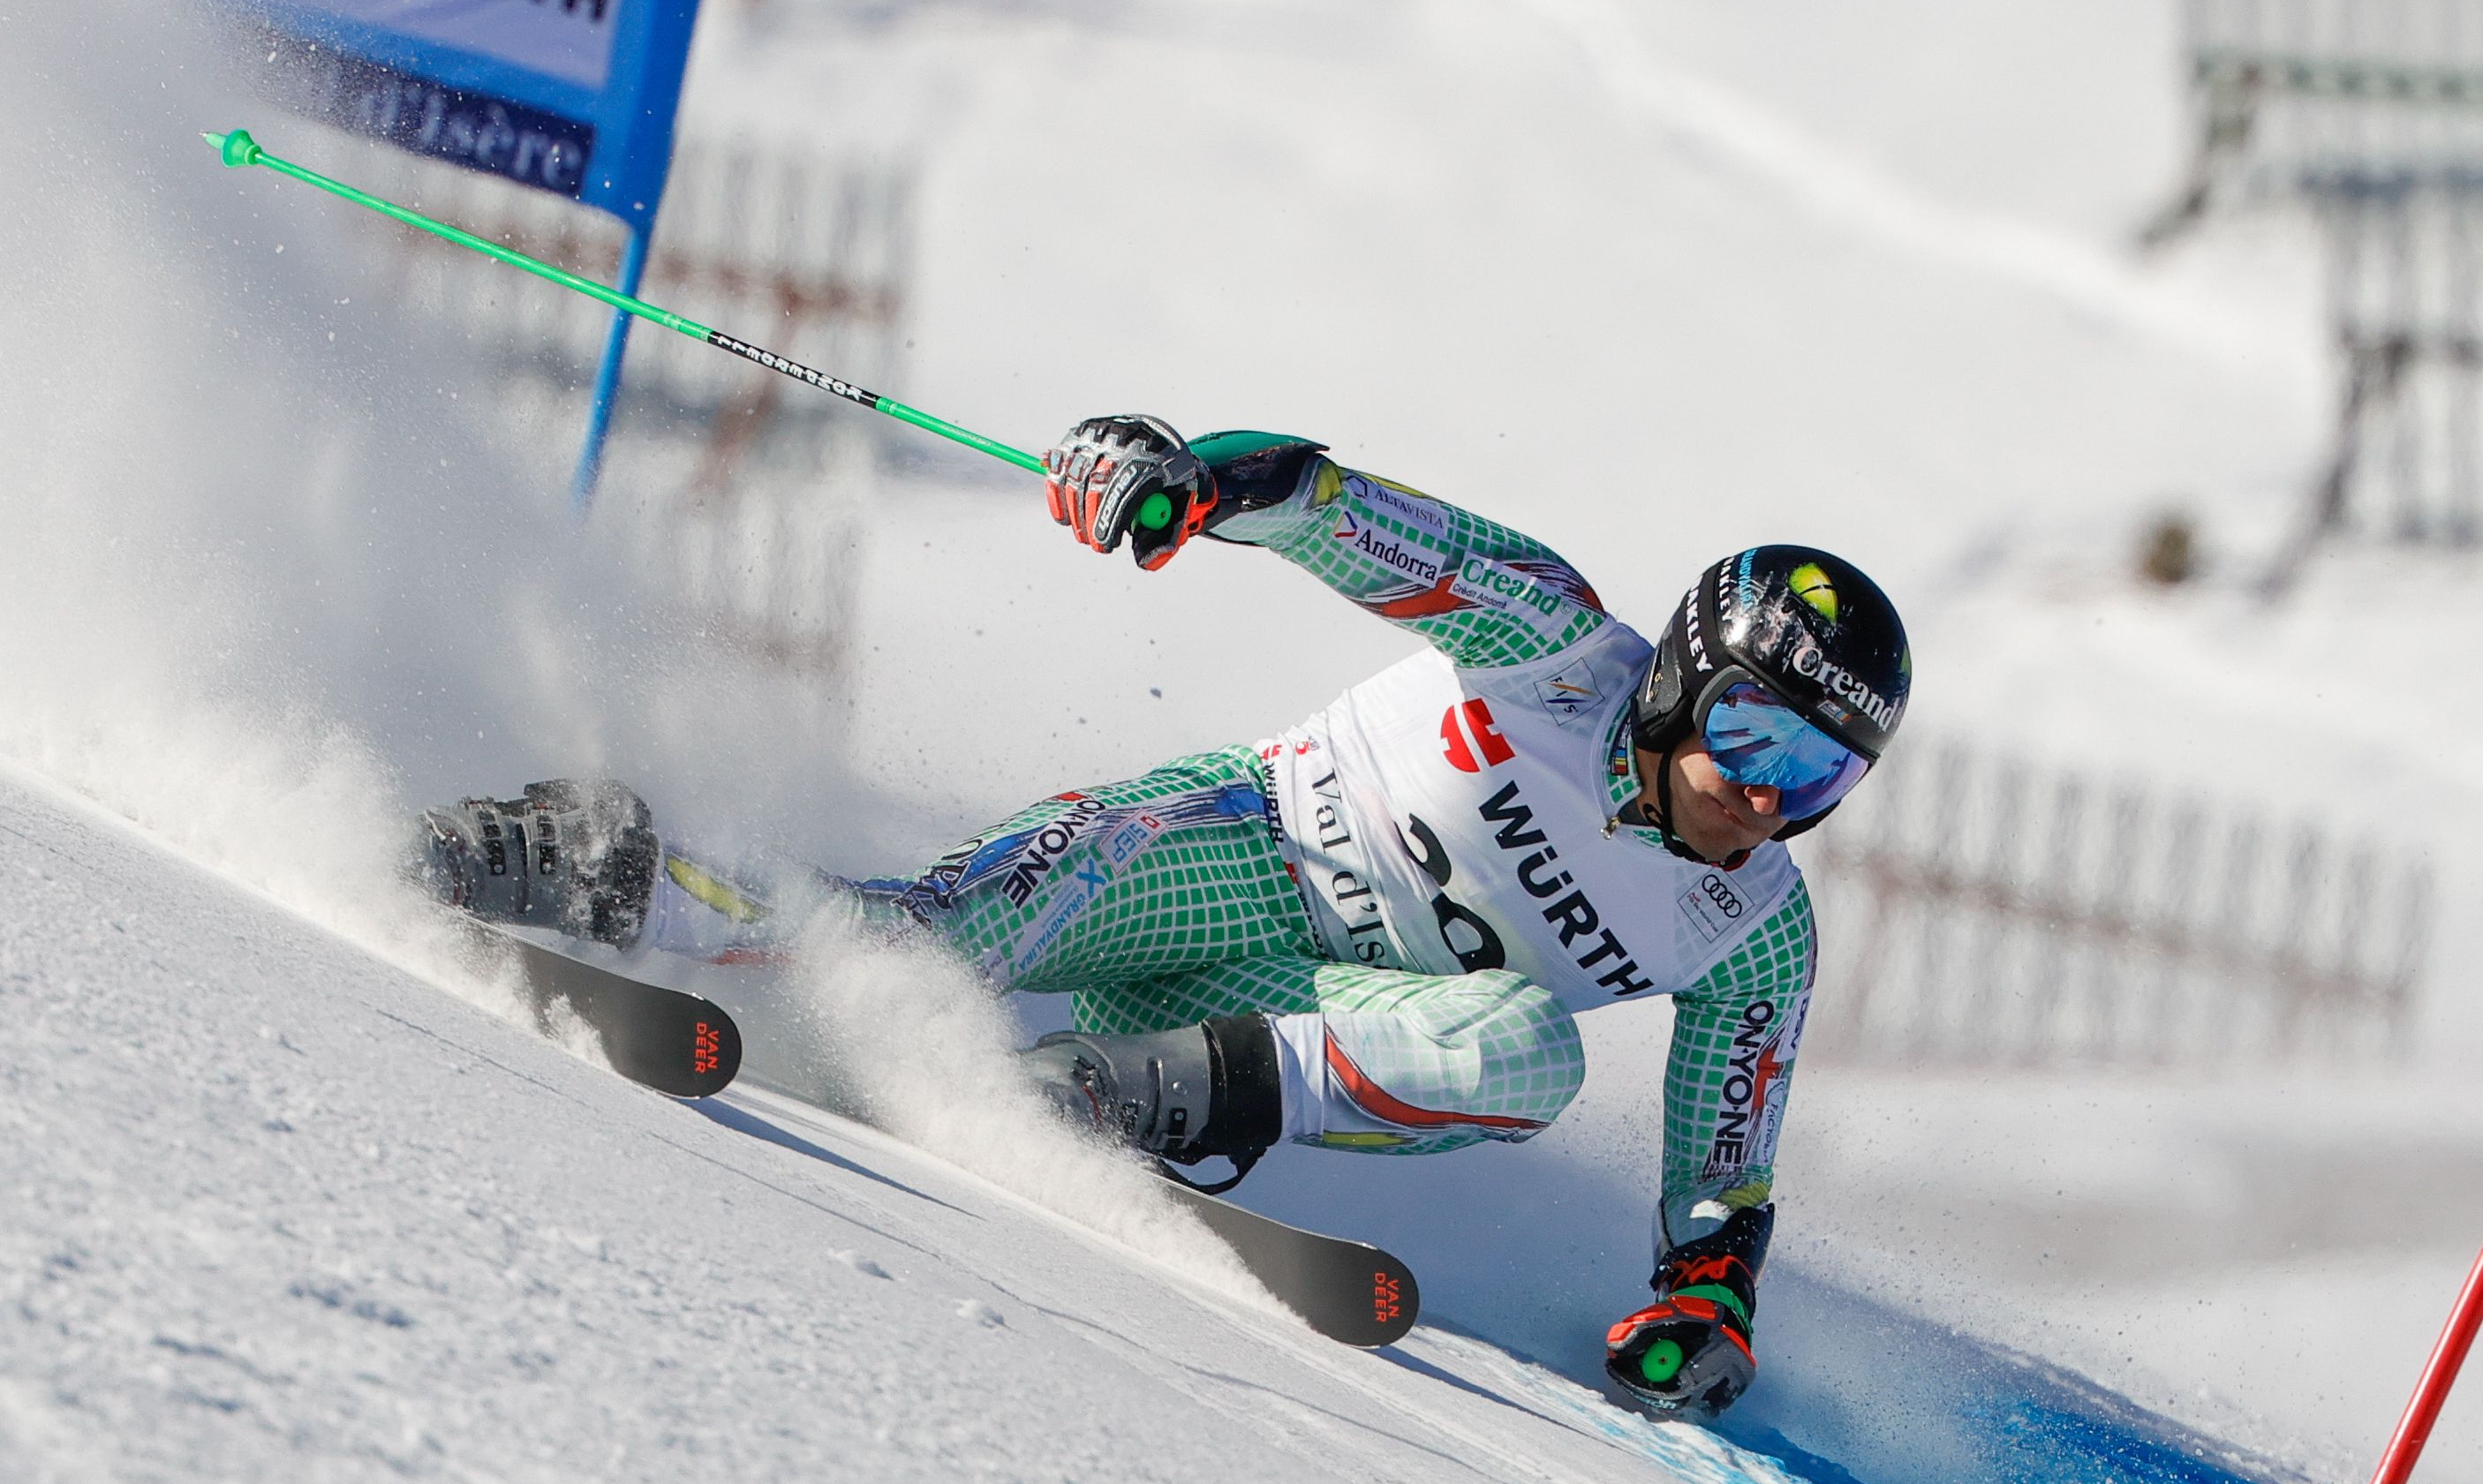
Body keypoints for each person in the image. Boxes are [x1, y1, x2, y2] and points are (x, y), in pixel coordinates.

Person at [413, 415, 1911, 1420]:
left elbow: (1720, 1191)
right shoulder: (1552, 643)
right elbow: (1323, 506)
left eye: (1826, 775)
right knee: (909, 947)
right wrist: (1182, 476)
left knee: (1530, 1059)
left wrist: (1701, 1313)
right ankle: (575, 855)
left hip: (1268, 1020)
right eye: (1758, 738)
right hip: (1224, 849)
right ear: (1679, 679)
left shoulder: (1752, 931)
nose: (1773, 799)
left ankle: (1101, 1107)